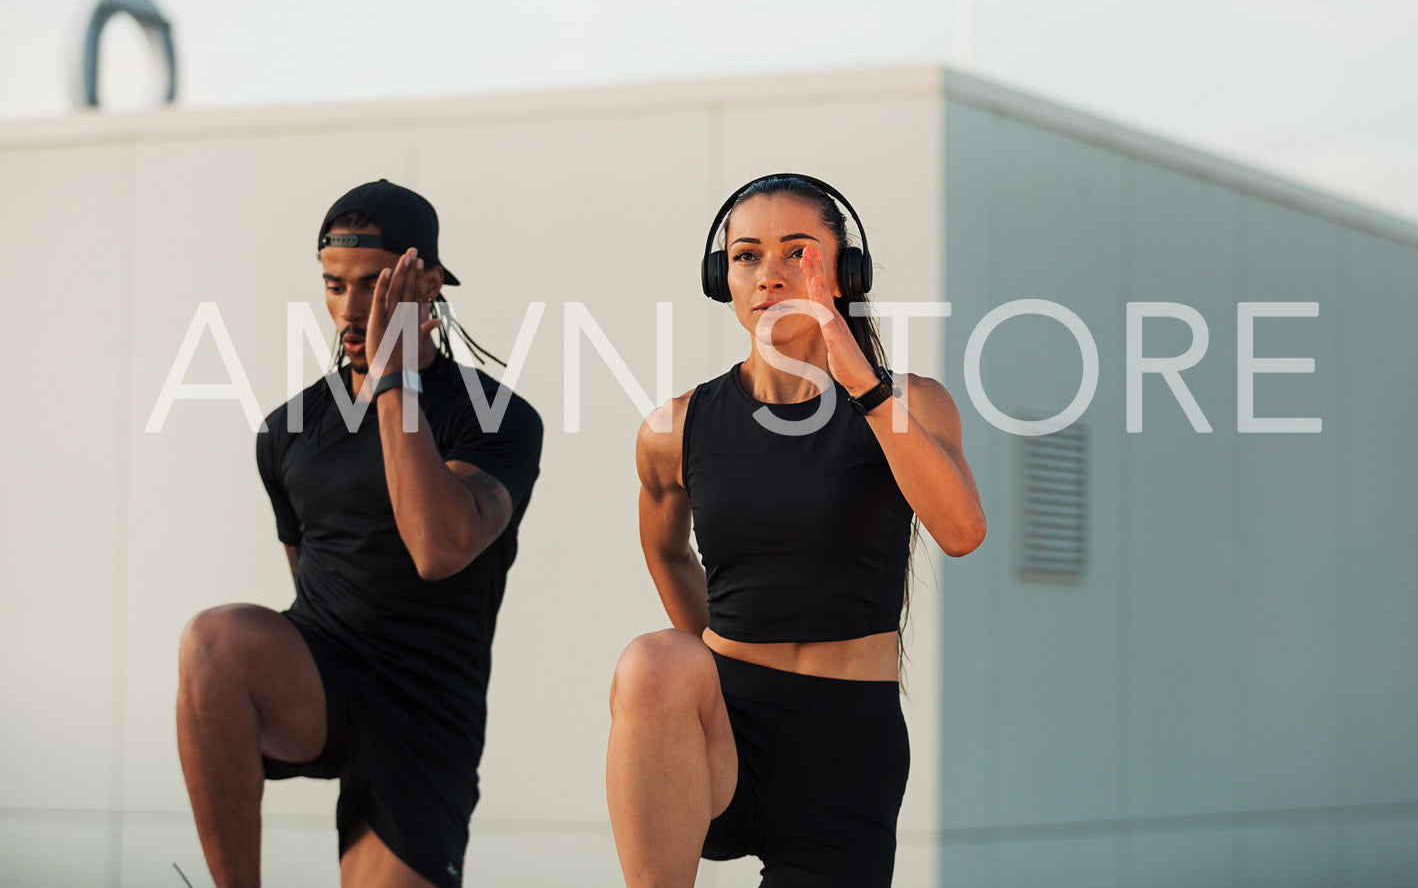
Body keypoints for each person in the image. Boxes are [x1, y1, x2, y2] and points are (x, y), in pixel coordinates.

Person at [605, 173, 986, 886]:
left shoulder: (911, 404)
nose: (769, 274)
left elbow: (961, 529)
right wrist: (714, 662)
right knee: (654, 662)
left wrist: (856, 375)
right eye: (746, 255)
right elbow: (663, 547)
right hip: (728, 732)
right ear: (723, 277)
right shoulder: (673, 427)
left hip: (847, 749)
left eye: (796, 252)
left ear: (845, 272)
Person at [176, 179, 544, 888]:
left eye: (373, 286)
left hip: (424, 714)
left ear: (426, 286)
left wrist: (393, 378)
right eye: (333, 285)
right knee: (213, 641)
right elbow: (306, 576)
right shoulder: (287, 431)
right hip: (325, 677)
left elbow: (437, 549)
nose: (350, 308)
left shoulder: (498, 417)